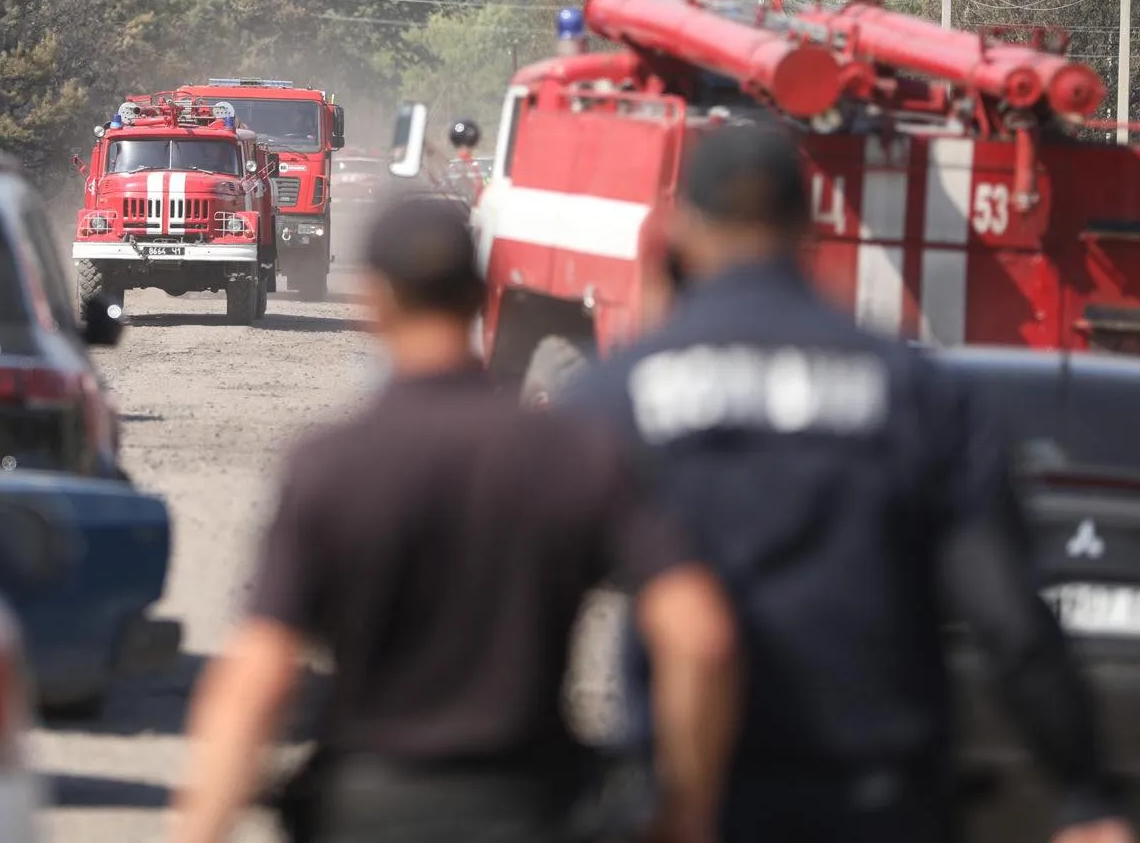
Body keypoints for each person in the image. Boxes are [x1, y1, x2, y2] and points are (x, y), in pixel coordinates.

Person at [561, 121, 1135, 843]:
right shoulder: (919, 393)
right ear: (811, 226)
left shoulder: (615, 396)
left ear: (683, 229)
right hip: (878, 802)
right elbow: (1009, 620)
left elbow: (530, 600)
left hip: (694, 800)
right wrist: (1083, 792)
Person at [170, 196, 740, 843]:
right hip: (532, 806)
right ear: (480, 296)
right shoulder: (575, 453)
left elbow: (258, 675)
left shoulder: (331, 466)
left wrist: (200, 830)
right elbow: (697, 632)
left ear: (374, 303)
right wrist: (685, 811)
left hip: (373, 812)